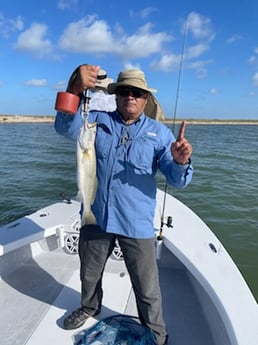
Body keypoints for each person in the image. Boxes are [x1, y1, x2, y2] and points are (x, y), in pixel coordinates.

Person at [55, 64, 193, 345]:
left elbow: (176, 180)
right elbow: (63, 125)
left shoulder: (160, 134)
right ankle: (89, 306)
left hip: (136, 222)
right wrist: (74, 88)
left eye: (138, 93)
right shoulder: (95, 121)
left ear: (146, 99)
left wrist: (180, 162)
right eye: (125, 91)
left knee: (147, 287)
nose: (131, 96)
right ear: (117, 95)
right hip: (96, 216)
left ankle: (156, 333)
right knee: (89, 274)